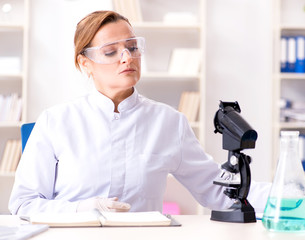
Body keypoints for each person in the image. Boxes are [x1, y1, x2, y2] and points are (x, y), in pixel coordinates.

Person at [9, 10, 271, 215]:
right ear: (84, 63)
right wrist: (81, 210)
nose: (127, 58)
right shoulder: (56, 122)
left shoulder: (169, 122)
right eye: (111, 52)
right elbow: (24, 203)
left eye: (133, 47)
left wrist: (285, 195)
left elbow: (217, 191)